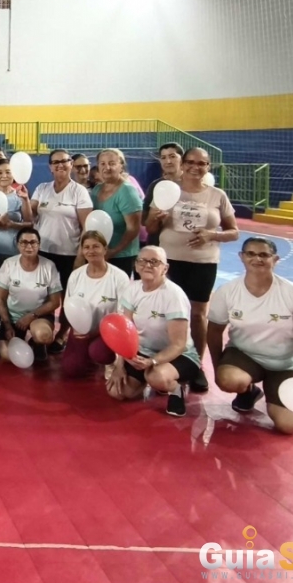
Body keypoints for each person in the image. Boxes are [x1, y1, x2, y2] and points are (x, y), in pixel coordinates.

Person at [145, 147, 238, 394]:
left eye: (202, 163)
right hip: (168, 262)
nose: (195, 167)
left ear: (208, 167)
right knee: (166, 312)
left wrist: (212, 235)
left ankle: (196, 364)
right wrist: (156, 218)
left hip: (203, 263)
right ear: (183, 164)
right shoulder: (167, 190)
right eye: (191, 162)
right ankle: (166, 359)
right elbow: (150, 227)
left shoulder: (217, 195)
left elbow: (234, 232)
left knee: (197, 315)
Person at [207, 238, 293, 434]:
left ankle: (275, 391)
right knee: (229, 380)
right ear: (241, 257)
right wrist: (218, 367)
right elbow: (214, 331)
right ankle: (248, 391)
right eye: (250, 254)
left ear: (275, 259)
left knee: (288, 425)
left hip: (286, 364)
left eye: (264, 255)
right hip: (245, 355)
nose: (257, 259)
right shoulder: (227, 292)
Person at [106, 246, 198, 417]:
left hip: (179, 355)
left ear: (165, 268)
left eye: (154, 261)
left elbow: (178, 345)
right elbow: (126, 333)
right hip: (143, 352)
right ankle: (145, 380)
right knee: (117, 392)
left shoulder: (174, 295)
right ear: (136, 265)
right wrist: (120, 364)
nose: (147, 265)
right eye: (142, 261)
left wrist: (152, 362)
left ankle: (175, 388)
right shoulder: (132, 289)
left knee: (157, 377)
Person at [31, 148, 93, 341]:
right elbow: (30, 216)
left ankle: (62, 334)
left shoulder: (79, 192)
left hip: (69, 254)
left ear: (71, 164)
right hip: (43, 253)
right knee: (42, 295)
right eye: (55, 162)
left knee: (69, 297)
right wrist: (24, 200)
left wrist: (80, 256)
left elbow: (87, 227)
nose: (60, 165)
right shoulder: (42, 188)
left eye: (64, 161)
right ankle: (42, 332)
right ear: (50, 167)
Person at [60, 231, 130, 378]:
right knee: (71, 368)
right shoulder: (76, 275)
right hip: (82, 331)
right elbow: (69, 306)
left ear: (105, 249)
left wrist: (96, 332)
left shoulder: (119, 277)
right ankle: (87, 355)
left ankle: (110, 360)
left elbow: (122, 315)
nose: (91, 251)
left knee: (100, 353)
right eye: (86, 247)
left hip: (108, 331)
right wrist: (76, 328)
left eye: (96, 246)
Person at [0, 228, 62, 364]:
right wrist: (7, 325)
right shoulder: (9, 264)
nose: (29, 246)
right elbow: (0, 298)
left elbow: (55, 302)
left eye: (33, 242)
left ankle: (37, 343)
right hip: (13, 317)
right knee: (6, 355)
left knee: (44, 336)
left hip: (38, 316)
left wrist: (31, 316)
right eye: (24, 242)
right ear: (18, 245)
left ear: (39, 245)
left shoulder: (49, 266)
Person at [89, 148, 143, 275]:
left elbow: (133, 229)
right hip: (100, 254)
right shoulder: (97, 189)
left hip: (122, 257)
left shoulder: (127, 191)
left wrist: (113, 251)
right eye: (102, 164)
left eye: (112, 163)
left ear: (121, 166)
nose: (107, 168)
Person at [141, 143, 183, 246]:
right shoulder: (155, 185)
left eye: (172, 156)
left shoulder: (191, 185)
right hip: (158, 245)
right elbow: (144, 221)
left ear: (182, 159)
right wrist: (154, 218)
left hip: (184, 246)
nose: (168, 161)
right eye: (163, 158)